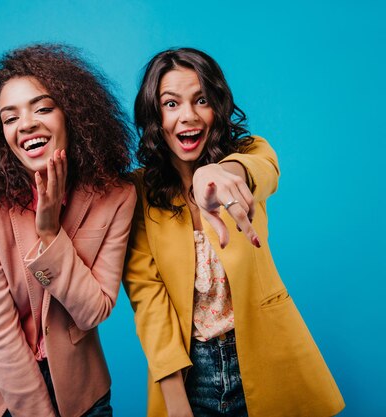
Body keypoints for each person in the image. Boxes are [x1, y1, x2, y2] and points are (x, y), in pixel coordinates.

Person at [123, 47, 345, 417]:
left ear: (218, 107)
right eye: (171, 104)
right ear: (154, 115)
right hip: (192, 375)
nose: (188, 116)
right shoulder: (139, 193)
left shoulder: (247, 154)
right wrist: (175, 400)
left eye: (202, 100)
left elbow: (264, 168)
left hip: (267, 359)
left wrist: (222, 174)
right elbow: (149, 301)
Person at [0, 44, 136, 417]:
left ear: (75, 115)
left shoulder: (117, 197)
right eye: (9, 118)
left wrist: (50, 235)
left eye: (43, 108)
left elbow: (94, 310)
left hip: (81, 393)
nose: (26, 124)